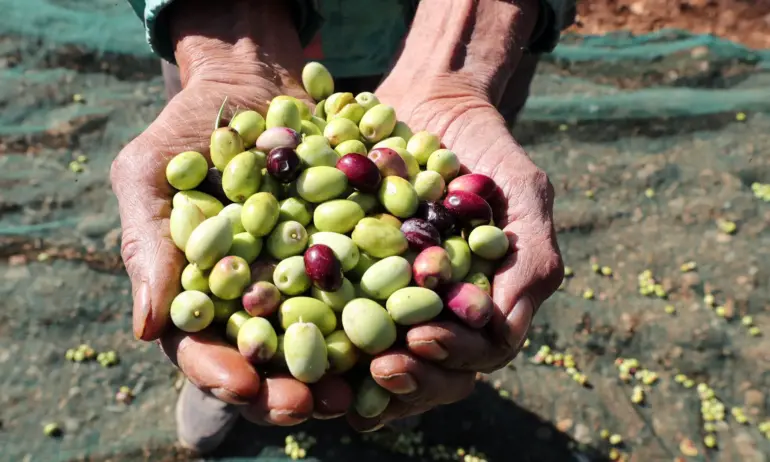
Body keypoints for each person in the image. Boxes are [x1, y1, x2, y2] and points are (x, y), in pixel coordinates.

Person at [113, 0, 570, 454]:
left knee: (415, 350)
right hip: (230, 42)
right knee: (214, 309)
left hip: (441, 35)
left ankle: (388, 363)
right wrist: (230, 47)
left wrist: (455, 75)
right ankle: (237, 352)